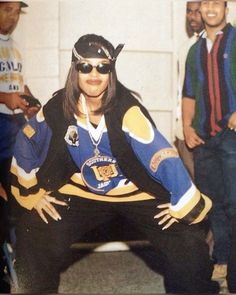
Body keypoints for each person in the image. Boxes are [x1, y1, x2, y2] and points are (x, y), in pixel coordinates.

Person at [10, 33, 219, 294]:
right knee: (35, 231)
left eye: (103, 67)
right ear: (75, 69)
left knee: (187, 241)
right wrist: (31, 191)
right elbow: (26, 139)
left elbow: (162, 154)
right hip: (81, 191)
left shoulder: (127, 111)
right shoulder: (57, 107)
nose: (94, 74)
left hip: (134, 192)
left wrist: (181, 203)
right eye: (85, 66)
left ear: (111, 71)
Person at [182, 0, 236, 292]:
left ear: (226, 7)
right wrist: (187, 127)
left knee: (235, 203)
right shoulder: (194, 51)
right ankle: (223, 260)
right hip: (204, 138)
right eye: (206, 4)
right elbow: (189, 93)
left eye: (217, 2)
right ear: (199, 9)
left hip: (232, 135)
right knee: (211, 203)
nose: (211, 9)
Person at [0, 1, 40, 292]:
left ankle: (19, 263)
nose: (11, 17)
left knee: (17, 196)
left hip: (12, 128)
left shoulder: (13, 47)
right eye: (5, 9)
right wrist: (5, 99)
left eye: (15, 11)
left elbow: (17, 86)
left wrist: (26, 100)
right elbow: (5, 94)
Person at [174, 0, 204, 180]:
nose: (192, 16)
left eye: (197, 11)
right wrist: (180, 128)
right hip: (184, 131)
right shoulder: (186, 46)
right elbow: (182, 90)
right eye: (189, 11)